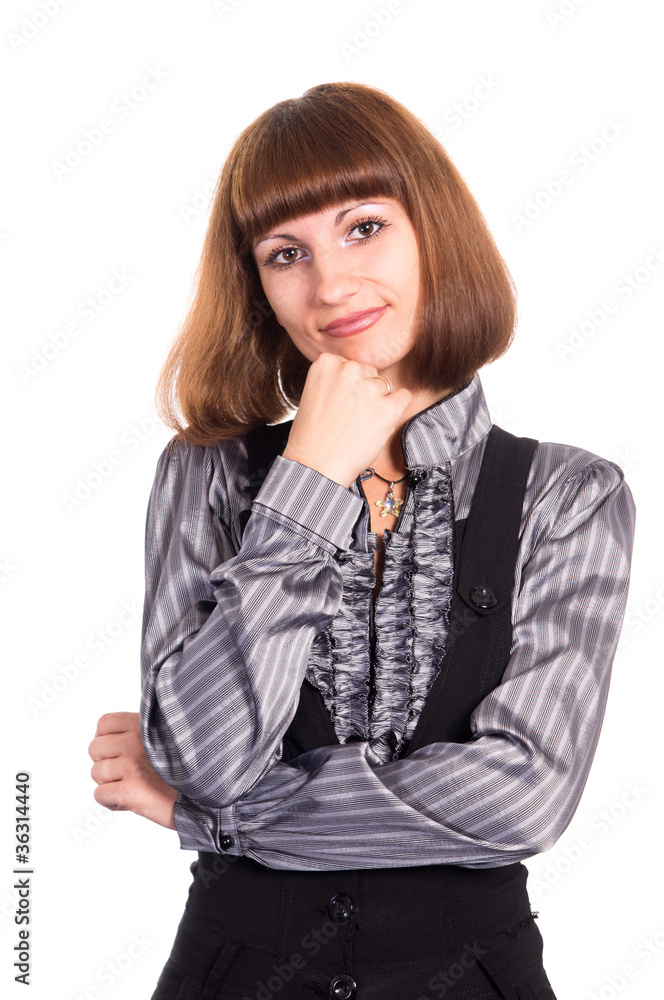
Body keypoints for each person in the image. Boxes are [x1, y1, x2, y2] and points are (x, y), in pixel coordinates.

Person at [88, 81, 636, 999]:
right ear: (258, 288)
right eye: (286, 253)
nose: (331, 286)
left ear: (434, 233)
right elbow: (205, 758)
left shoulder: (569, 495)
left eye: (364, 227)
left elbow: (523, 798)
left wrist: (214, 821)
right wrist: (308, 482)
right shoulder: (206, 474)